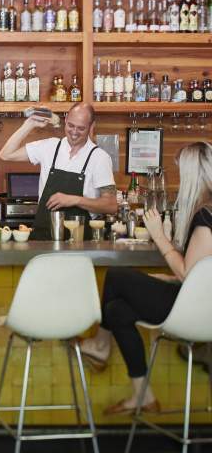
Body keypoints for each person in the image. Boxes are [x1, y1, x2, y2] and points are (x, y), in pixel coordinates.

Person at [78, 141, 212, 415]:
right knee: (117, 310)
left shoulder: (205, 216)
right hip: (200, 304)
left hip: (192, 312)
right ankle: (143, 395)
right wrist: (169, 278)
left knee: (116, 276)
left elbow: (189, 273)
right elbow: (202, 273)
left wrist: (159, 236)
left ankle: (101, 345)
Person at [0, 103, 117, 239]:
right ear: (65, 120)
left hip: (78, 241)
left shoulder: (99, 158)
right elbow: (5, 154)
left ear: (92, 126)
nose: (74, 132)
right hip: (43, 237)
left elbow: (111, 205)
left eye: (81, 128)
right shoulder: (50, 146)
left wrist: (75, 200)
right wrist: (29, 124)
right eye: (71, 125)